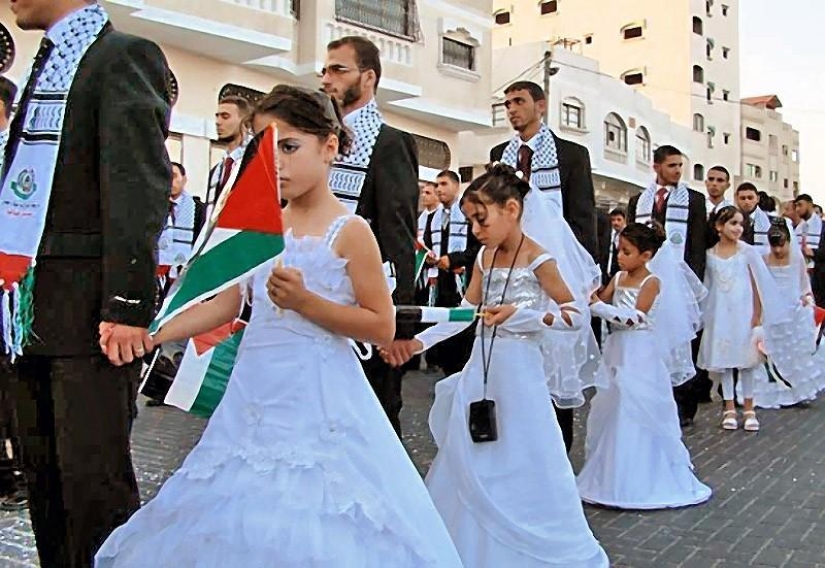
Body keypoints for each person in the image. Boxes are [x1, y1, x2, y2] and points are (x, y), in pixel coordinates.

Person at [95, 85, 463, 568]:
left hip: (318, 396)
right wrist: (158, 333)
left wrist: (307, 302)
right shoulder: (263, 227)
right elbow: (229, 300)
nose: (277, 163)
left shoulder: (351, 231)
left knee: (310, 513)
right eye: (265, 149)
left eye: (289, 147)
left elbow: (380, 324)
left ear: (329, 146)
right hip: (253, 392)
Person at [0, 1, 171, 565]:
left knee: (92, 485)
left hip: (91, 312)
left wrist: (126, 305)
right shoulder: (46, 63)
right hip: (30, 306)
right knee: (44, 479)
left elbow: (136, 185)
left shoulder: (122, 57)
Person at [383, 164, 608, 568]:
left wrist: (523, 317)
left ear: (511, 209)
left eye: (481, 219)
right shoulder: (485, 257)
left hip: (521, 375)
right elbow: (466, 312)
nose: (475, 230)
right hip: (481, 373)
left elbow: (574, 314)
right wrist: (417, 341)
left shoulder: (540, 259)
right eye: (470, 221)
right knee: (471, 449)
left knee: (522, 454)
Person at [489, 80, 602, 451]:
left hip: (557, 269)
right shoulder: (497, 154)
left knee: (556, 358)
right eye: (506, 103)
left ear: (541, 105)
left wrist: (587, 275)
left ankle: (557, 453)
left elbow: (583, 216)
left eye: (518, 101)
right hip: (511, 268)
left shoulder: (571, 154)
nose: (512, 110)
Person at [322, 35, 419, 435]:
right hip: (315, 301)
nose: (327, 79)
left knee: (373, 420)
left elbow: (399, 236)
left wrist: (400, 326)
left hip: (367, 307)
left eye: (338, 70)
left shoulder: (390, 143)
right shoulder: (316, 140)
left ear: (368, 77)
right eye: (324, 71)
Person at [579, 223, 711, 510]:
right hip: (617, 350)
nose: (620, 257)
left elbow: (635, 317)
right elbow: (600, 300)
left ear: (646, 254)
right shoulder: (618, 277)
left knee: (635, 404)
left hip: (640, 350)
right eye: (619, 250)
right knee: (613, 405)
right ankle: (610, 474)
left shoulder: (652, 282)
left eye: (626, 252)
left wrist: (598, 308)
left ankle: (642, 476)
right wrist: (589, 297)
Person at [627, 145, 708, 428]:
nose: (677, 171)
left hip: (679, 277)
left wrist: (692, 281)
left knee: (681, 338)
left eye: (679, 166)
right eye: (671, 165)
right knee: (650, 337)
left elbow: (697, 244)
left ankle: (685, 405)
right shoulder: (639, 200)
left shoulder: (694, 200)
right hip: (647, 276)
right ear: (657, 166)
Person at [699, 207, 767, 431]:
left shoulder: (747, 252)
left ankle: (749, 407)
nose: (738, 228)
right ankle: (729, 407)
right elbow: (707, 286)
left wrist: (757, 314)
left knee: (746, 361)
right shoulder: (709, 255)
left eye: (740, 224)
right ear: (719, 226)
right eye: (732, 223)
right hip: (720, 312)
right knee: (725, 361)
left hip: (744, 311)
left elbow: (757, 283)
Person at [748, 218, 824, 407]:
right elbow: (757, 289)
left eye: (782, 246)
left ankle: (796, 391)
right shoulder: (764, 259)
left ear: (789, 242)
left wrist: (807, 298)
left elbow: (803, 284)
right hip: (770, 311)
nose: (778, 251)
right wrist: (756, 314)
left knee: (794, 353)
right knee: (770, 352)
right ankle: (772, 390)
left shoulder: (797, 259)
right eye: (775, 246)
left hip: (793, 310)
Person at [425, 169, 480, 376]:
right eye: (437, 185)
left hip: (463, 282)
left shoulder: (467, 215)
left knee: (463, 331)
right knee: (444, 326)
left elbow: (478, 249)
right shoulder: (433, 218)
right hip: (441, 282)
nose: (439, 189)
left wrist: (454, 259)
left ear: (457, 187)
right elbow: (429, 245)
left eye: (444, 184)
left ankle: (461, 372)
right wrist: (430, 257)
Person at [206, 95, 251, 217]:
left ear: (244, 121)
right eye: (217, 116)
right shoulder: (216, 171)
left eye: (225, 116)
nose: (218, 122)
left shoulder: (256, 164)